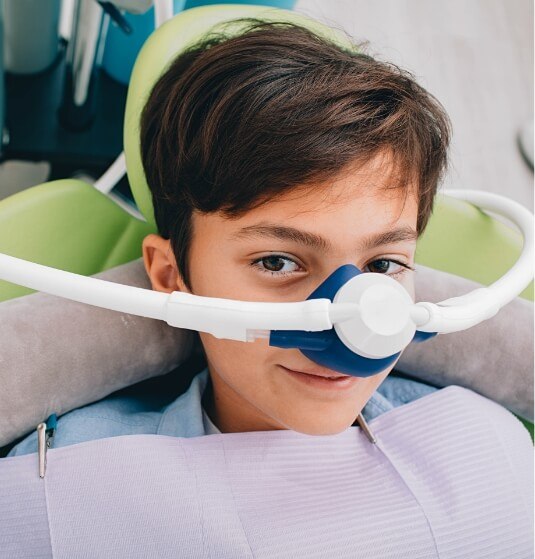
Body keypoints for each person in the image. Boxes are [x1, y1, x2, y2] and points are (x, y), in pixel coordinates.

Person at [8, 17, 449, 455]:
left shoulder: (474, 443)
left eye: (383, 265)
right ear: (170, 273)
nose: (348, 325)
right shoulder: (69, 470)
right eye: (277, 262)